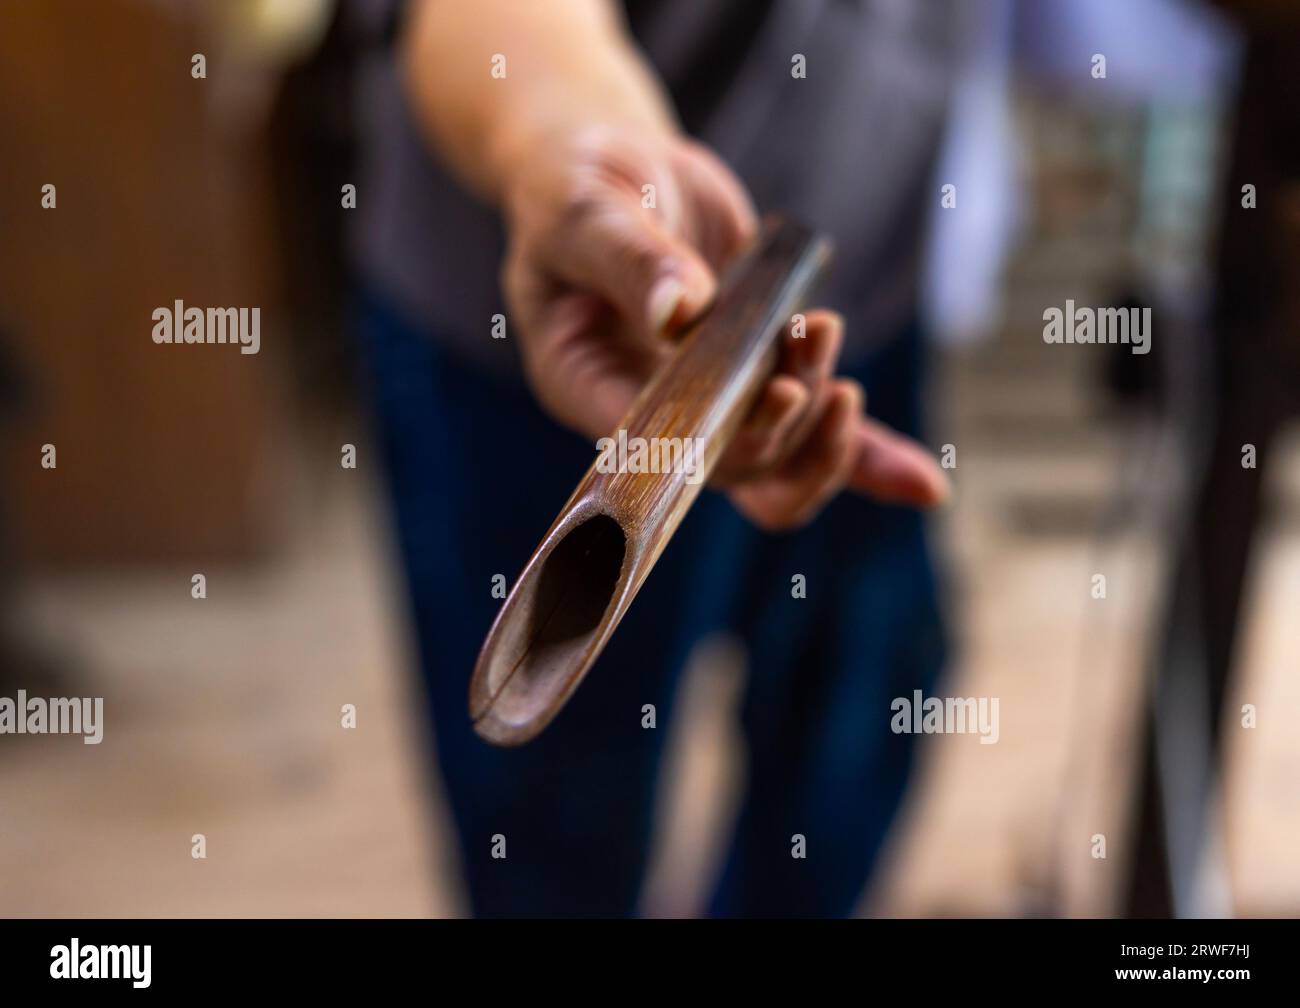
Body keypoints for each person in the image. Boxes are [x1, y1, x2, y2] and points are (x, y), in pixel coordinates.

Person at [349, 0, 963, 917]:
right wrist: (584, 151)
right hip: (542, 339)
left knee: (850, 730)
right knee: (555, 834)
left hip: (847, 308)